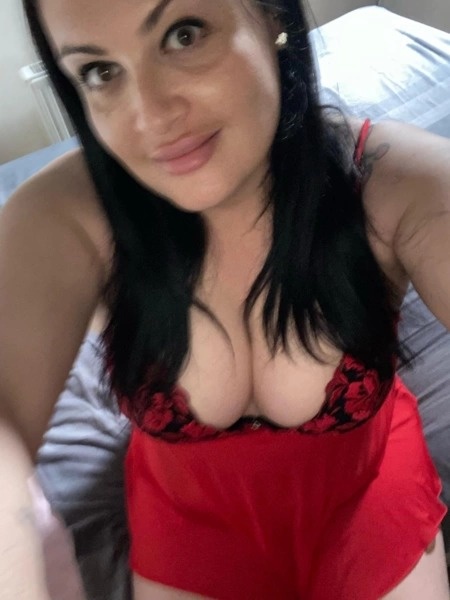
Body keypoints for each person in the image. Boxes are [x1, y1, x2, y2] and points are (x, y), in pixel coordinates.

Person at [1, 0, 450, 598]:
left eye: (184, 35)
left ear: (272, 16)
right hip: (188, 532)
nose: (151, 117)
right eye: (100, 71)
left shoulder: (389, 183)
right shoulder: (71, 216)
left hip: (370, 505)